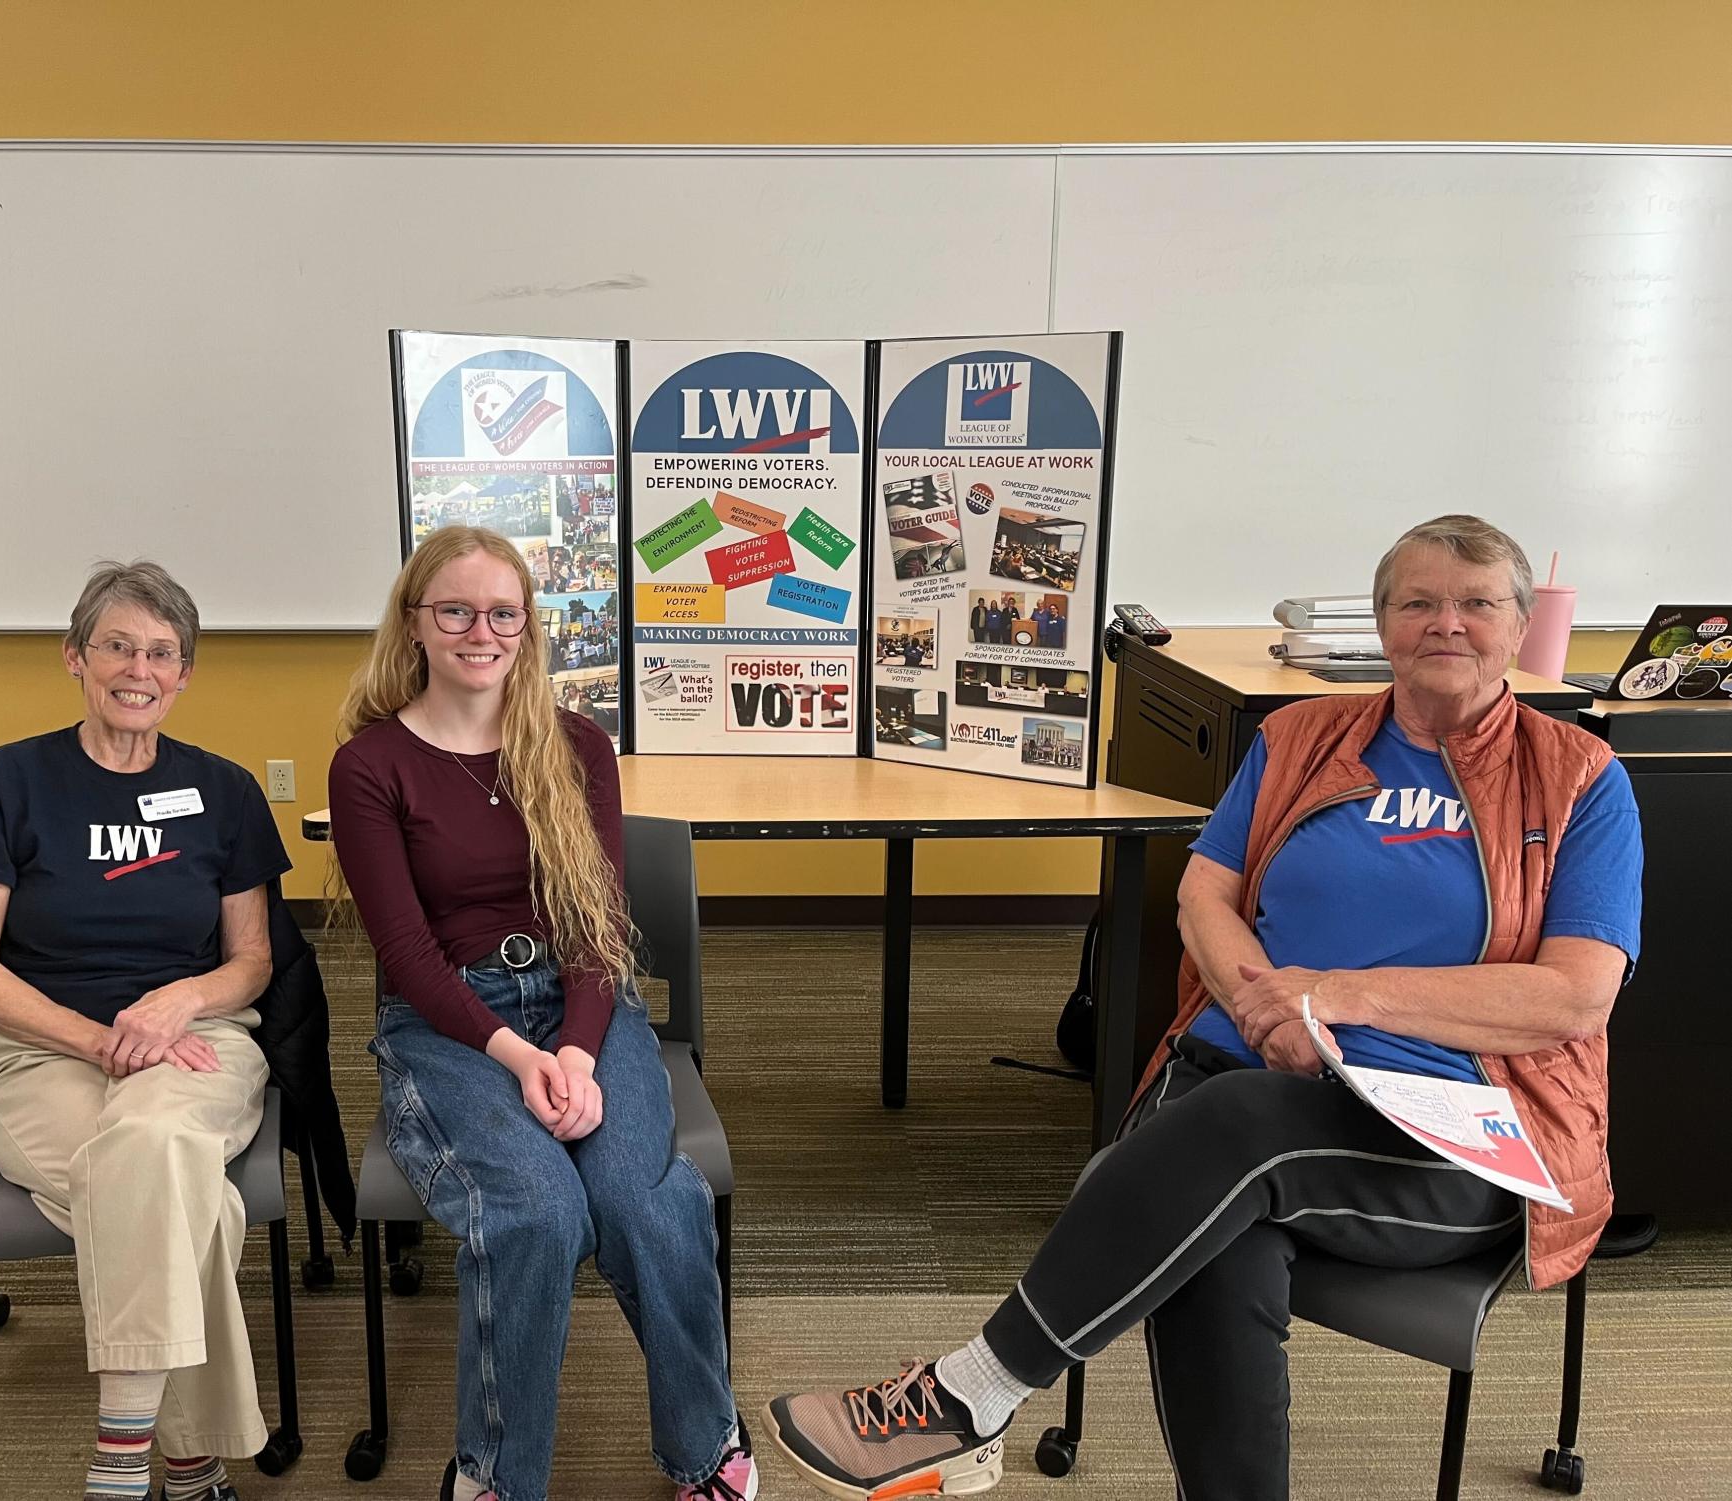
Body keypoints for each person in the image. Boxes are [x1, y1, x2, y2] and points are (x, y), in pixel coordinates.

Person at [764, 515, 1643, 1501]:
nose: (1447, 623)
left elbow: (1574, 994)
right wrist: (1267, 1009)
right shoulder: (1300, 738)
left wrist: (1338, 997)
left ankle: (969, 1395)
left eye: (1477, 603)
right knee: (1220, 1221)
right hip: (1250, 1085)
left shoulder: (1579, 780)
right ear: (1383, 624)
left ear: (1519, 625)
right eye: (1418, 601)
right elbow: (1203, 896)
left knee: (1224, 1141)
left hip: (1449, 1132)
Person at [329, 526, 752, 1501]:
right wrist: (524, 1058)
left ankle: (704, 1443)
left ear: (528, 626)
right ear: (415, 624)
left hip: (585, 1010)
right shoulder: (372, 765)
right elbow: (407, 956)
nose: (482, 631)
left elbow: (599, 926)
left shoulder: (576, 744)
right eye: (457, 611)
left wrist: (577, 1048)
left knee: (644, 1199)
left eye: (503, 613)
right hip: (452, 1023)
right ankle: (496, 1476)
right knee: (536, 1212)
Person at [0, 561, 293, 1501]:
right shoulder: (5, 780)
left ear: (185, 675)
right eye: (118, 645)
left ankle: (120, 1457)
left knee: (147, 1142)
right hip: (38, 1046)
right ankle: (184, 1458)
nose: (140, 668)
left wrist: (177, 1001)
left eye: (163, 653)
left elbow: (251, 961)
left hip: (195, 1040)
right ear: (74, 658)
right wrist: (95, 1041)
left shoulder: (224, 790)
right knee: (178, 1188)